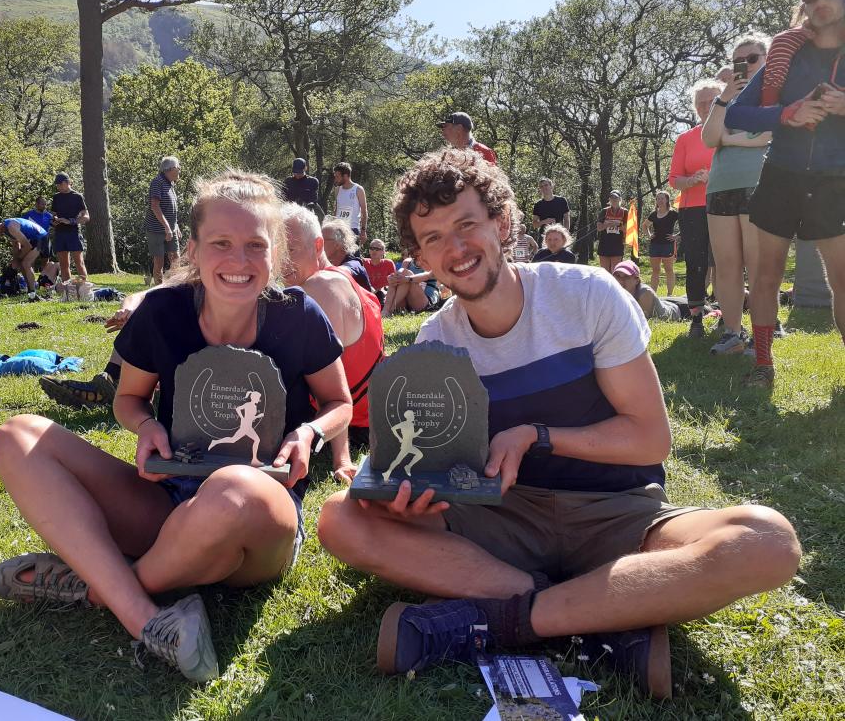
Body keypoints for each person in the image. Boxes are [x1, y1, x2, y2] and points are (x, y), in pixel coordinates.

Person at [316, 148, 801, 699]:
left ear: (501, 223)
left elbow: (650, 438)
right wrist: (406, 495)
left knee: (767, 541)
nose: (455, 249)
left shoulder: (585, 295)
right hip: (502, 520)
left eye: (467, 225)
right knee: (341, 520)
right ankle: (601, 619)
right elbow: (435, 467)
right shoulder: (435, 342)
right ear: (420, 254)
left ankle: (510, 620)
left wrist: (537, 436)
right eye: (433, 238)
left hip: (618, 516)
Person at [0, 170, 352, 682]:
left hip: (258, 517)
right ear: (193, 248)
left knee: (232, 489)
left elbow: (340, 403)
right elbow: (130, 399)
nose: (239, 261)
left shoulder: (297, 313)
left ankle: (100, 589)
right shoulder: (162, 310)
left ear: (274, 253)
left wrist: (310, 433)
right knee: (14, 436)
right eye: (221, 243)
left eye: (255, 245)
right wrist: (143, 428)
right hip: (168, 501)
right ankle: (147, 618)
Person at [725, 0, 845, 387]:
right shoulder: (785, 51)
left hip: (836, 180)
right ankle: (763, 363)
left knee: (843, 277)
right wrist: (786, 114)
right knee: (766, 275)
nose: (818, 3)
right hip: (780, 175)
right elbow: (737, 113)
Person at [283, 204, 385, 481]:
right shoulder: (342, 278)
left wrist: (341, 459)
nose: (281, 263)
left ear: (318, 245)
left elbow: (335, 372)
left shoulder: (319, 287)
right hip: (371, 413)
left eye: (290, 251)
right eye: (276, 252)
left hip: (352, 423)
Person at [701, 34, 773, 356]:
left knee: (758, 267)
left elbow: (770, 136)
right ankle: (733, 332)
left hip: (759, 184)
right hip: (719, 187)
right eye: (738, 60)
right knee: (727, 265)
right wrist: (725, 97)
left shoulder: (775, 95)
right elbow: (709, 138)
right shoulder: (726, 98)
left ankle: (761, 341)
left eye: (753, 58)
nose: (745, 66)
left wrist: (729, 139)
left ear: (767, 59)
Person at [39, 287, 154, 408]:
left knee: (151, 318)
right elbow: (135, 297)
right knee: (139, 317)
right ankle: (109, 384)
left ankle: (113, 389)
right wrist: (127, 311)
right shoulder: (172, 285)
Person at [669, 79, 722, 338]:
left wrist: (717, 176)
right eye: (700, 102)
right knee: (696, 263)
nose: (705, 106)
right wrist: (692, 180)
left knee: (727, 262)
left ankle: (728, 316)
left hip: (725, 204)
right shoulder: (685, 139)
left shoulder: (730, 132)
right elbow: (674, 179)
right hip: (692, 208)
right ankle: (696, 320)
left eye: (711, 101)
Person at [0, 218, 48, 301]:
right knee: (21, 264)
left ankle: (33, 293)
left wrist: (17, 260)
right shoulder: (5, 229)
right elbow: (16, 246)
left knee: (26, 263)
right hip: (33, 239)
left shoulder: (11, 227)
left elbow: (27, 246)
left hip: (42, 238)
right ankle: (30, 290)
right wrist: (14, 262)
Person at [147, 156, 182, 287]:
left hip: (171, 229)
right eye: (178, 167)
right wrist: (167, 227)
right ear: (171, 169)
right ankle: (158, 289)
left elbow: (171, 207)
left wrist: (175, 224)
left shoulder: (170, 184)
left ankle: (174, 287)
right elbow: (155, 206)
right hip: (156, 230)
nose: (179, 170)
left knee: (176, 259)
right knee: (159, 261)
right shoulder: (157, 182)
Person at [51, 172, 90, 284]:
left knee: (79, 262)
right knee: (64, 264)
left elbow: (86, 217)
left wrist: (70, 221)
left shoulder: (77, 196)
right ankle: (68, 290)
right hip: (59, 233)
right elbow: (53, 214)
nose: (57, 187)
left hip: (73, 233)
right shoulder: (56, 197)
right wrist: (55, 220)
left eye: (59, 184)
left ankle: (83, 288)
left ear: (66, 183)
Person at [612, 260, 682, 322]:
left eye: (626, 277)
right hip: (665, 301)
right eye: (618, 276)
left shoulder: (645, 292)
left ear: (636, 280)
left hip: (677, 310)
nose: (621, 280)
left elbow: (642, 320)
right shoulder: (613, 292)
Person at [321, 218, 373, 292]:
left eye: (323, 240)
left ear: (337, 244)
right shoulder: (330, 265)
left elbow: (348, 269)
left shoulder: (354, 264)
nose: (319, 243)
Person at [382, 252, 439, 317]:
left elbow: (427, 275)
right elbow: (400, 276)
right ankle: (385, 310)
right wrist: (392, 278)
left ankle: (390, 310)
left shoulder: (434, 261)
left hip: (425, 301)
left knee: (406, 275)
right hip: (406, 301)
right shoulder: (407, 262)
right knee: (399, 276)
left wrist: (407, 278)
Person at [24, 196, 58, 287]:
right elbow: (22, 228)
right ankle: (30, 281)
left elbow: (55, 225)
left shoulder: (48, 215)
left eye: (45, 204)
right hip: (33, 240)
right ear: (36, 204)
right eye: (42, 204)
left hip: (45, 241)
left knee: (45, 261)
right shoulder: (28, 215)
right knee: (31, 261)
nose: (44, 206)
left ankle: (43, 280)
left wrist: (58, 220)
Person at [330, 162, 367, 244]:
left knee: (352, 256)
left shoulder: (358, 189)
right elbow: (336, 209)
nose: (335, 179)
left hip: (352, 229)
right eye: (335, 176)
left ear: (346, 175)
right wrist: (332, 226)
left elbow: (364, 211)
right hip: (339, 229)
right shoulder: (337, 190)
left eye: (337, 176)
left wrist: (363, 230)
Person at [596, 191, 628, 273]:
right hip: (604, 243)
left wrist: (617, 225)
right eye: (612, 198)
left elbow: (627, 229)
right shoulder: (604, 211)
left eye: (616, 198)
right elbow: (599, 228)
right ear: (609, 200)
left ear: (620, 199)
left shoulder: (625, 212)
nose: (613, 200)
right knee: (604, 271)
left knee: (615, 270)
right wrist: (606, 225)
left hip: (617, 244)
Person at [362, 238, 394, 304]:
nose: (374, 251)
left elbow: (393, 282)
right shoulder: (363, 263)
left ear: (383, 252)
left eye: (377, 249)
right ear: (369, 250)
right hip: (366, 294)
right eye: (372, 248)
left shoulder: (388, 263)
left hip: (383, 294)